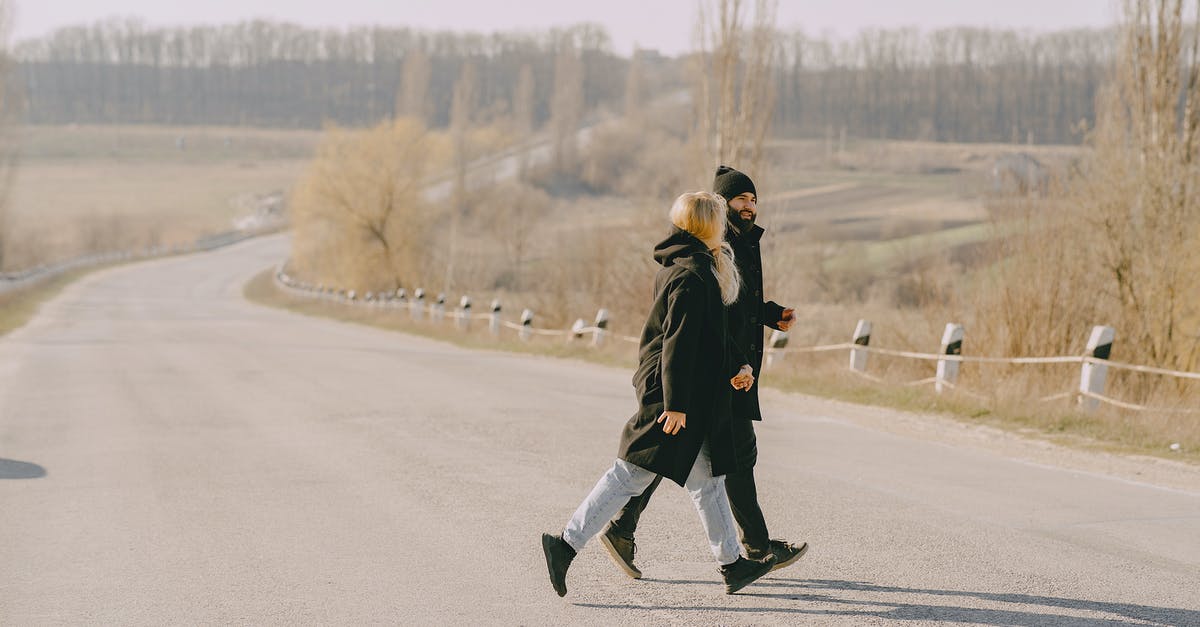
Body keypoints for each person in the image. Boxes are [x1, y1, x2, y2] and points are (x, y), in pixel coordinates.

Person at [540, 191, 776, 597]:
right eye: (719, 219)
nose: (724, 226)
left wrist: (740, 366)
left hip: (688, 395)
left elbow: (713, 335)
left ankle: (732, 565)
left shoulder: (703, 266)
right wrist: (676, 406)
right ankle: (564, 545)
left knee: (708, 479)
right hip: (670, 395)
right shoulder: (689, 273)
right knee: (629, 474)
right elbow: (677, 345)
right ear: (706, 225)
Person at [599, 165, 807, 580]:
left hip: (732, 365)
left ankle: (624, 527)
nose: (749, 207)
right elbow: (710, 315)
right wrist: (734, 366)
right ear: (721, 205)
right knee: (726, 454)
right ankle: (756, 549)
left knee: (695, 452)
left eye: (753, 200)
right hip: (722, 369)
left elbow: (737, 301)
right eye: (741, 200)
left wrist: (769, 314)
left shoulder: (743, 241)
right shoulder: (718, 243)